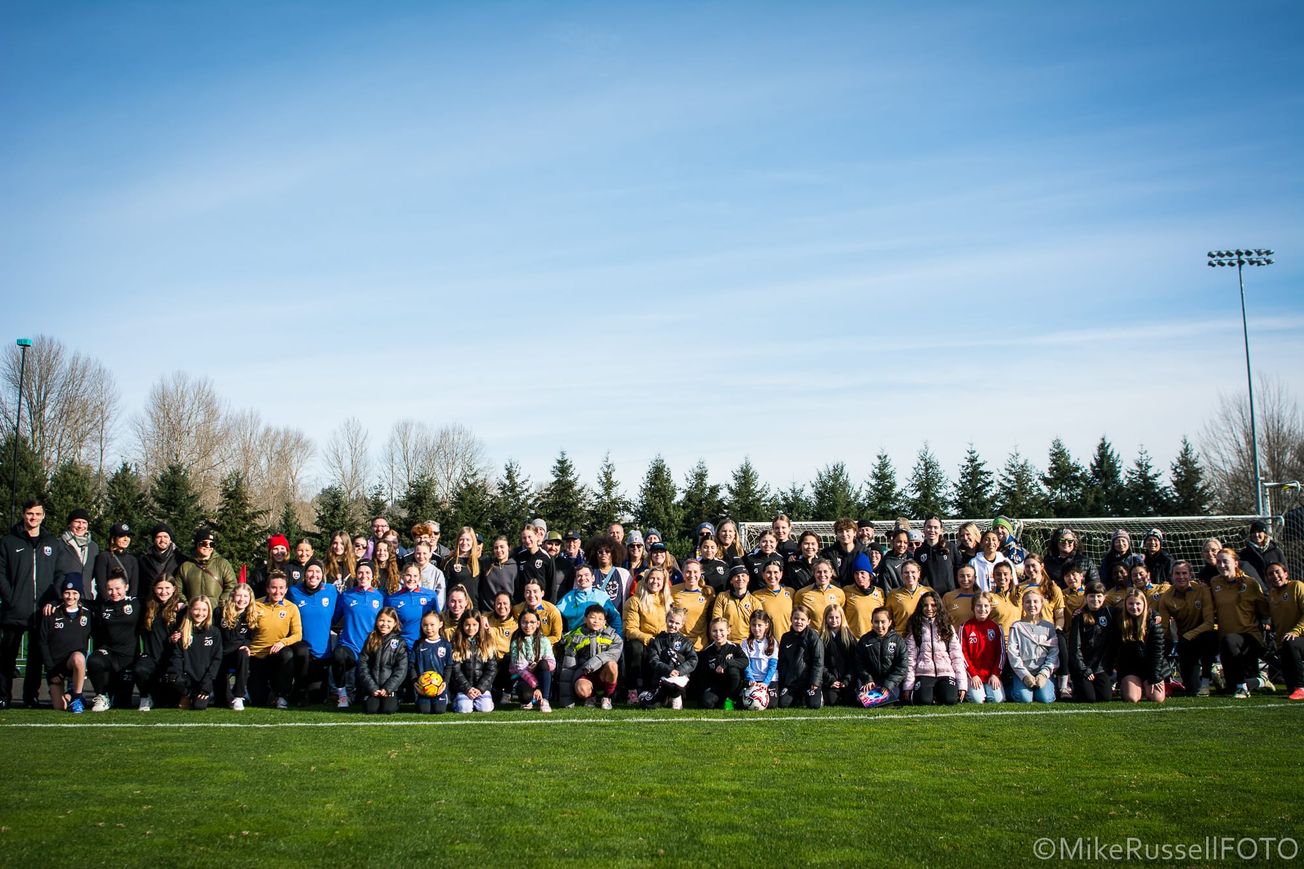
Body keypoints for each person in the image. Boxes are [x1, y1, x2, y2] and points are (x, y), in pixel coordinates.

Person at [0, 499, 64, 708]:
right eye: (29, 513)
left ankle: (31, 697)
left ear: (43, 516)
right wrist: (11, 598)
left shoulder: (52, 542)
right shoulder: (9, 542)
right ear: (23, 514)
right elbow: (1, 574)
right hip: (15, 610)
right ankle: (3, 696)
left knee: (36, 658)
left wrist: (53, 599)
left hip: (42, 610)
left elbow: (59, 574)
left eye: (37, 514)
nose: (33, 517)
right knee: (7, 657)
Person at [1209, 547, 1271, 698]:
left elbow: (1264, 609)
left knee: (1230, 641)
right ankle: (1260, 680)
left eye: (1225, 562)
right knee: (1230, 688)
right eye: (1218, 562)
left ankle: (1243, 688)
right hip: (1225, 638)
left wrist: (1268, 621)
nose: (1221, 565)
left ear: (1236, 563)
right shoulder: (1214, 582)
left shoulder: (1250, 583)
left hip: (1248, 636)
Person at [247, 572, 305, 709]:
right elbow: (248, 631)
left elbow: (297, 635)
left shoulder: (291, 608)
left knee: (288, 654)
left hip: (276, 654)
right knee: (258, 701)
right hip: (257, 655)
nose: (277, 591)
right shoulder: (256, 605)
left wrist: (282, 642)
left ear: (286, 589)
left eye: (281, 588)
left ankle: (282, 695)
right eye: (274, 587)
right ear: (267, 588)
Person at [1158, 560, 1216, 696]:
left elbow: (1209, 622)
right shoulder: (1166, 598)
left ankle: (1207, 678)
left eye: (1184, 573)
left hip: (1204, 634)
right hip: (1185, 643)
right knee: (1191, 689)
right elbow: (1165, 627)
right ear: (1172, 576)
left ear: (1191, 575)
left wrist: (1189, 635)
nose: (1181, 577)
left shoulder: (1202, 590)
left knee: (1209, 637)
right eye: (1177, 573)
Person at [286, 559, 339, 704]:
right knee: (301, 694)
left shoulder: (331, 591)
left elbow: (337, 615)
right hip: (301, 649)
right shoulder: (293, 592)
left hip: (322, 653)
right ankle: (296, 689)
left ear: (322, 574)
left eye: (317, 572)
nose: (313, 575)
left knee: (317, 698)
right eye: (310, 571)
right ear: (304, 573)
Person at [332, 561, 383, 708]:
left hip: (371, 649)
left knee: (364, 699)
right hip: (350, 646)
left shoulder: (381, 596)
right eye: (360, 572)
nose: (363, 576)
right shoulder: (346, 595)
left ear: (373, 575)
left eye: (367, 572)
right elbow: (333, 618)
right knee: (338, 655)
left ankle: (358, 692)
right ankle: (342, 696)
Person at [39, 573, 93, 712]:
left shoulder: (87, 612)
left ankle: (77, 696)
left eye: (74, 593)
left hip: (73, 661)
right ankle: (69, 693)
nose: (70, 596)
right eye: (67, 593)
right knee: (60, 707)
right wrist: (51, 670)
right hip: (56, 665)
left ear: (80, 594)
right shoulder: (51, 612)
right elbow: (43, 642)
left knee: (78, 658)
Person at [87, 569, 138, 711]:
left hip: (128, 657)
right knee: (93, 660)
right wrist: (54, 603)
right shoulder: (102, 606)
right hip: (109, 653)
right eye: (110, 589)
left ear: (126, 587)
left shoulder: (137, 604)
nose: (114, 592)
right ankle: (101, 696)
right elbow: (77, 600)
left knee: (123, 703)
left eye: (118, 588)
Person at [903, 591, 964, 705]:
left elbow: (957, 656)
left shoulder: (947, 626)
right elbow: (910, 659)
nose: (929, 608)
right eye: (925, 605)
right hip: (924, 673)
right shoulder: (915, 627)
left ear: (939, 606)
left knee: (950, 700)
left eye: (933, 605)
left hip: (945, 672)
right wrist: (908, 686)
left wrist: (962, 685)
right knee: (923, 701)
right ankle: (930, 693)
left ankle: (938, 692)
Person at [557, 604, 623, 708]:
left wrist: (593, 663)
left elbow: (612, 654)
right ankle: (591, 697)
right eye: (592, 617)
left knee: (612, 664)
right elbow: (568, 669)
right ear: (585, 619)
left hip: (603, 674)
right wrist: (566, 700)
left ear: (604, 622)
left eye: (600, 619)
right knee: (581, 690)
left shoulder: (614, 637)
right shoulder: (575, 637)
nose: (596, 621)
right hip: (584, 673)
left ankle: (607, 697)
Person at [623, 566, 673, 703]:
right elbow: (630, 629)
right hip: (643, 641)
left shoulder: (669, 602)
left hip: (662, 642)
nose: (655, 581)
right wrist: (650, 639)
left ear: (663, 583)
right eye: (652, 578)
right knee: (635, 647)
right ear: (645, 580)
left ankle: (668, 692)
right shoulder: (635, 601)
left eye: (658, 579)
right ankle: (632, 690)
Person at [1116, 589, 1170, 703]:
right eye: (1130, 604)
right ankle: (1134, 686)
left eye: (1138, 604)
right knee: (1132, 698)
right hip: (1130, 668)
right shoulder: (1119, 622)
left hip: (1150, 668)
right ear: (1125, 605)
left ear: (1144, 604)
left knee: (1157, 699)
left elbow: (1158, 653)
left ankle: (1145, 686)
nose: (1134, 607)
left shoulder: (1154, 624)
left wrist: (1154, 677)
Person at [639, 606, 698, 709]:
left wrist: (679, 671)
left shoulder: (686, 642)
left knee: (674, 686)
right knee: (648, 706)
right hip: (662, 678)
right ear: (666, 619)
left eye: (677, 623)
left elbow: (693, 660)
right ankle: (658, 696)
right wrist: (668, 670)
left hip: (679, 679)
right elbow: (653, 660)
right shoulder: (657, 640)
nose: (673, 625)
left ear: (682, 624)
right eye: (671, 621)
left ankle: (676, 697)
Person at [1006, 588, 1059, 704]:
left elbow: (1054, 652)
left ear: (1041, 604)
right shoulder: (1017, 626)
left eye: (1035, 602)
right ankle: (1011, 689)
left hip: (1042, 671)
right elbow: (1013, 653)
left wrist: (1044, 674)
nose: (1032, 605)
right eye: (1028, 602)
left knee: (1045, 699)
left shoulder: (1049, 627)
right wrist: (1024, 675)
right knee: (1025, 699)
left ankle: (1050, 686)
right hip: (1024, 672)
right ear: (1023, 605)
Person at [1067, 581, 1117, 704]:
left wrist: (1155, 615)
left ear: (1104, 597)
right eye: (1091, 596)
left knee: (1105, 698)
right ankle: (1075, 685)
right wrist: (1084, 669)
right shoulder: (1079, 616)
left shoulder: (1111, 613)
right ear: (1086, 597)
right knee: (1089, 699)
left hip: (1101, 667)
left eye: (1099, 596)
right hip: (1083, 667)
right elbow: (1074, 648)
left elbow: (1130, 611)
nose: (1095, 599)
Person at [172, 596, 223, 710]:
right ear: (190, 610)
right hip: (187, 680)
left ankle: (204, 694)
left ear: (209, 612)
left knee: (199, 706)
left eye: (204, 610)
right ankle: (186, 694)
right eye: (196, 609)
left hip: (205, 679)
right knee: (173, 679)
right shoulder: (182, 632)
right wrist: (179, 679)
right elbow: (177, 657)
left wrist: (207, 685)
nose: (200, 613)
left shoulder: (214, 632)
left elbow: (217, 658)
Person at [356, 607, 408, 715]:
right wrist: (372, 688)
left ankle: (396, 699)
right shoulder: (371, 639)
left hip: (390, 689)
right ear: (377, 621)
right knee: (371, 710)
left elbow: (401, 669)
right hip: (373, 687)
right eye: (381, 620)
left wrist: (388, 688)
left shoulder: (400, 642)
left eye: (389, 621)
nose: (385, 624)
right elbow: (363, 664)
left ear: (395, 623)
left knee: (388, 709)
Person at [1264, 562, 1304, 701]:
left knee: (1291, 643)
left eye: (1277, 572)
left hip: (1298, 638)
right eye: (1270, 574)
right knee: (1289, 688)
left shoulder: (1297, 586)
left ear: (1285, 573)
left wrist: (1296, 631)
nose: (1274, 576)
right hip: (1285, 642)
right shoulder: (1272, 595)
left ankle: (1302, 687)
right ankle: (1295, 688)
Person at [855, 607, 907, 707]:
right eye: (876, 622)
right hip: (871, 682)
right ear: (871, 622)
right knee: (862, 701)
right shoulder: (865, 640)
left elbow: (902, 667)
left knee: (888, 702)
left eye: (883, 622)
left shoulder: (898, 640)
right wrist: (867, 679)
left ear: (890, 622)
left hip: (889, 682)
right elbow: (859, 663)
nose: (879, 626)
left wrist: (889, 684)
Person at [961, 592, 1005, 704]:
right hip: (973, 675)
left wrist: (995, 674)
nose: (982, 609)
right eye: (978, 606)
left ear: (990, 608)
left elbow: (1001, 654)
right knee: (978, 700)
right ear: (973, 607)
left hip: (991, 674)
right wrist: (973, 675)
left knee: (997, 699)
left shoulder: (996, 628)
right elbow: (962, 654)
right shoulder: (965, 627)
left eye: (986, 606)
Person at [448, 611, 497, 713]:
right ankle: (457, 701)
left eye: (474, 625)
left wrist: (480, 688)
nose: (471, 628)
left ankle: (480, 700)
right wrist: (467, 689)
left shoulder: (487, 641)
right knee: (464, 709)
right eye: (467, 625)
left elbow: (491, 669)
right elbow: (455, 670)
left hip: (481, 687)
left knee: (485, 708)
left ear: (480, 625)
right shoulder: (456, 642)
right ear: (462, 625)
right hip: (463, 688)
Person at [776, 606, 824, 709]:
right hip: (791, 683)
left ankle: (816, 695)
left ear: (808, 621)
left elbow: (818, 661)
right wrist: (784, 682)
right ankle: (798, 697)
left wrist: (815, 682)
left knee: (814, 705)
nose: (799, 622)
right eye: (796, 618)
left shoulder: (813, 636)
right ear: (791, 619)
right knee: (783, 704)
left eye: (803, 619)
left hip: (809, 682)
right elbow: (782, 662)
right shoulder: (785, 637)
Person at [509, 609, 555, 712]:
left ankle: (545, 700)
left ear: (538, 623)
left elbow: (552, 664)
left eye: (532, 622)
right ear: (520, 623)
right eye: (525, 622)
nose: (528, 625)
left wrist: (537, 664)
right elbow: (520, 668)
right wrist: (536, 687)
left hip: (541, 675)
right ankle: (531, 697)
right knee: (526, 697)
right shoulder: (516, 642)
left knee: (544, 663)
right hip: (524, 677)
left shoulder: (544, 640)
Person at [178, 528, 237, 607]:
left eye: (212, 544)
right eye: (204, 543)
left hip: (215, 612)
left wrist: (221, 602)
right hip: (193, 612)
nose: (208, 546)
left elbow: (232, 585)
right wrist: (187, 604)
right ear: (197, 544)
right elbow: (178, 589)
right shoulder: (186, 566)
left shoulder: (222, 564)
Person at [217, 583, 254, 710]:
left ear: (250, 598)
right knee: (223, 701)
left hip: (237, 654)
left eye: (245, 596)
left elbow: (250, 637)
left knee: (243, 654)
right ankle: (217, 693)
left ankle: (239, 696)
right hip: (220, 653)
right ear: (232, 596)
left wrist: (246, 645)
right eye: (239, 595)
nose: (242, 599)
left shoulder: (251, 615)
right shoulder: (220, 612)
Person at [386, 564, 439, 651]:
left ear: (419, 578)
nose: (412, 579)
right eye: (408, 575)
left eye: (415, 576)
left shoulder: (430, 595)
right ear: (402, 576)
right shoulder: (392, 599)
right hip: (403, 647)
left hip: (426, 645)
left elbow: (437, 620)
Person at [697, 618, 746, 709]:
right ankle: (720, 701)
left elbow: (745, 661)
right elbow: (703, 676)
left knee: (733, 670)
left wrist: (726, 663)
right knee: (706, 702)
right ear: (710, 632)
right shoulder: (707, 652)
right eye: (714, 631)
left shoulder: (735, 647)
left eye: (721, 630)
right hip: (716, 688)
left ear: (728, 631)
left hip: (732, 687)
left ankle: (731, 699)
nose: (718, 634)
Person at [558, 564, 623, 633]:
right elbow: (555, 615)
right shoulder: (568, 598)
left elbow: (615, 618)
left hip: (599, 639)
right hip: (576, 639)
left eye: (586, 575)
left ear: (593, 578)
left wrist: (619, 637)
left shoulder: (602, 596)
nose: (583, 578)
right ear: (575, 579)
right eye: (579, 576)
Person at [411, 611, 453, 714]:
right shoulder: (418, 644)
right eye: (425, 625)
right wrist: (415, 682)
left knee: (439, 710)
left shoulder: (446, 644)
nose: (428, 628)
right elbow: (411, 665)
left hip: (439, 688)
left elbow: (449, 666)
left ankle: (444, 697)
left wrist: (444, 683)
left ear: (440, 624)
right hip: (422, 688)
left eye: (432, 625)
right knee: (424, 710)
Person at [819, 603, 857, 707]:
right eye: (830, 617)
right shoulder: (821, 638)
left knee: (849, 700)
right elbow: (820, 663)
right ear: (826, 618)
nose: (834, 620)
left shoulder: (849, 637)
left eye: (837, 617)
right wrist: (831, 679)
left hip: (847, 680)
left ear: (842, 618)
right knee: (832, 701)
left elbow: (854, 662)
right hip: (830, 681)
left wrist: (846, 680)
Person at [671, 559, 714, 650]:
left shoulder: (708, 592)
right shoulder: (673, 591)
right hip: (679, 644)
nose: (692, 575)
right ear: (682, 573)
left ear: (700, 574)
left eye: (695, 572)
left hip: (700, 645)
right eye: (688, 572)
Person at [740, 610, 779, 710]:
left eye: (759, 625)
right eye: (753, 625)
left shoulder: (772, 642)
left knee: (771, 705)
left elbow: (773, 665)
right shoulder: (745, 643)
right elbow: (746, 664)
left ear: (766, 625)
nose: (756, 628)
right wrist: (751, 679)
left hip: (768, 680)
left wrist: (765, 683)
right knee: (744, 703)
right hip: (753, 680)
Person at [794, 559, 846, 632]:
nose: (822, 575)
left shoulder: (839, 592)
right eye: (819, 572)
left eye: (825, 571)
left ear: (831, 573)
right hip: (812, 638)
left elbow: (842, 616)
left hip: (833, 638)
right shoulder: (802, 593)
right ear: (814, 573)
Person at [711, 564, 759, 643]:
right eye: (736, 576)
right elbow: (716, 621)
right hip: (727, 643)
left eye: (743, 575)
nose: (740, 579)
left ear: (748, 578)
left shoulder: (755, 602)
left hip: (748, 644)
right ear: (731, 580)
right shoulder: (722, 597)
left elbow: (758, 626)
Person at [55, 509, 99, 593]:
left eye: (84, 522)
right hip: (63, 597)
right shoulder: (58, 544)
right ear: (70, 524)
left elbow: (92, 573)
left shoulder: (93, 547)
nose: (80, 526)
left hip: (86, 598)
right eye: (77, 522)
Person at [843, 553, 885, 639]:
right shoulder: (846, 591)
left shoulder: (879, 592)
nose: (859, 576)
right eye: (856, 573)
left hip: (874, 639)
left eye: (862, 573)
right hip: (853, 639)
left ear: (869, 575)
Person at [93, 523, 140, 599]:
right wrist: (109, 601)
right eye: (122, 536)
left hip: (125, 604)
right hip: (107, 603)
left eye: (128, 536)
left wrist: (129, 602)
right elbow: (101, 584)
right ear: (113, 538)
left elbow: (134, 587)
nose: (126, 539)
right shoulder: (104, 557)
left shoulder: (132, 560)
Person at [512, 580, 565, 646]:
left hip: (546, 649)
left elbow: (557, 636)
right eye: (528, 592)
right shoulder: (517, 610)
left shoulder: (552, 611)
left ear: (542, 593)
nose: (531, 595)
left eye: (535, 591)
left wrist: (538, 643)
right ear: (524, 594)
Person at [588, 537, 633, 612]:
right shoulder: (589, 573)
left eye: (607, 551)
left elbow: (631, 598)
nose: (604, 554)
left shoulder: (624, 574)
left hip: (617, 620)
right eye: (600, 552)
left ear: (613, 553)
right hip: (594, 620)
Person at [754, 560, 795, 641]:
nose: (772, 576)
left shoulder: (791, 592)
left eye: (775, 572)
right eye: (768, 572)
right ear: (763, 575)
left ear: (781, 574)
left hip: (790, 641)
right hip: (768, 643)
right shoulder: (756, 596)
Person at [885, 560, 929, 635]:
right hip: (902, 638)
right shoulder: (893, 594)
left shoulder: (928, 592)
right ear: (901, 575)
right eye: (906, 572)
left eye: (913, 572)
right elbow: (887, 618)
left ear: (919, 573)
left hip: (924, 637)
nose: (910, 575)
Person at [138, 522, 185, 592]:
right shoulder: (143, 560)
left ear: (170, 539)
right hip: (150, 600)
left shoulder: (180, 559)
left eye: (165, 537)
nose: (162, 540)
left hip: (174, 601)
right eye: (159, 537)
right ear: (154, 540)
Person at [515, 524, 557, 602]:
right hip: (524, 603)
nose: (527, 540)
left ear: (536, 536)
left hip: (541, 603)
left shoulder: (547, 557)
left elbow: (552, 584)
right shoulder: (519, 556)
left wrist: (550, 604)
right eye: (524, 538)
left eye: (529, 537)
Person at [442, 527, 482, 606]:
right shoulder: (449, 562)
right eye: (461, 539)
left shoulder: (479, 562)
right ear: (457, 541)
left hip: (473, 608)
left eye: (468, 540)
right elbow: (443, 588)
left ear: (473, 541)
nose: (464, 542)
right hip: (455, 608)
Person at [917, 516, 956, 595]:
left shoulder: (950, 547)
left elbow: (958, 569)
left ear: (941, 530)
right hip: (929, 596)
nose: (932, 530)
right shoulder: (919, 551)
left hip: (949, 595)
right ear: (924, 529)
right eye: (929, 527)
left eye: (935, 527)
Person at [478, 536, 518, 612]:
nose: (499, 550)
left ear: (509, 547)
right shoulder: (486, 564)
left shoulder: (515, 567)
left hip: (506, 612)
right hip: (487, 613)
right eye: (496, 548)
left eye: (502, 547)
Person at [819, 519, 861, 586]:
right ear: (836, 534)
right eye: (840, 531)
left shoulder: (864, 552)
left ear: (855, 533)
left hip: (857, 592)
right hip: (835, 592)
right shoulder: (827, 553)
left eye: (847, 531)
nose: (844, 534)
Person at [410, 542, 448, 610]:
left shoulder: (437, 573)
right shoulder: (409, 571)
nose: (421, 556)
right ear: (414, 554)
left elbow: (440, 599)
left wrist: (436, 614)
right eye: (418, 553)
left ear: (430, 554)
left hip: (430, 612)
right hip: (412, 610)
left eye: (424, 553)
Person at [942, 565, 978, 632]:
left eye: (968, 576)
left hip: (978, 640)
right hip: (956, 640)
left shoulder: (981, 597)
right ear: (957, 578)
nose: (965, 579)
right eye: (962, 576)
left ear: (975, 578)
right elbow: (942, 620)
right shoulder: (948, 597)